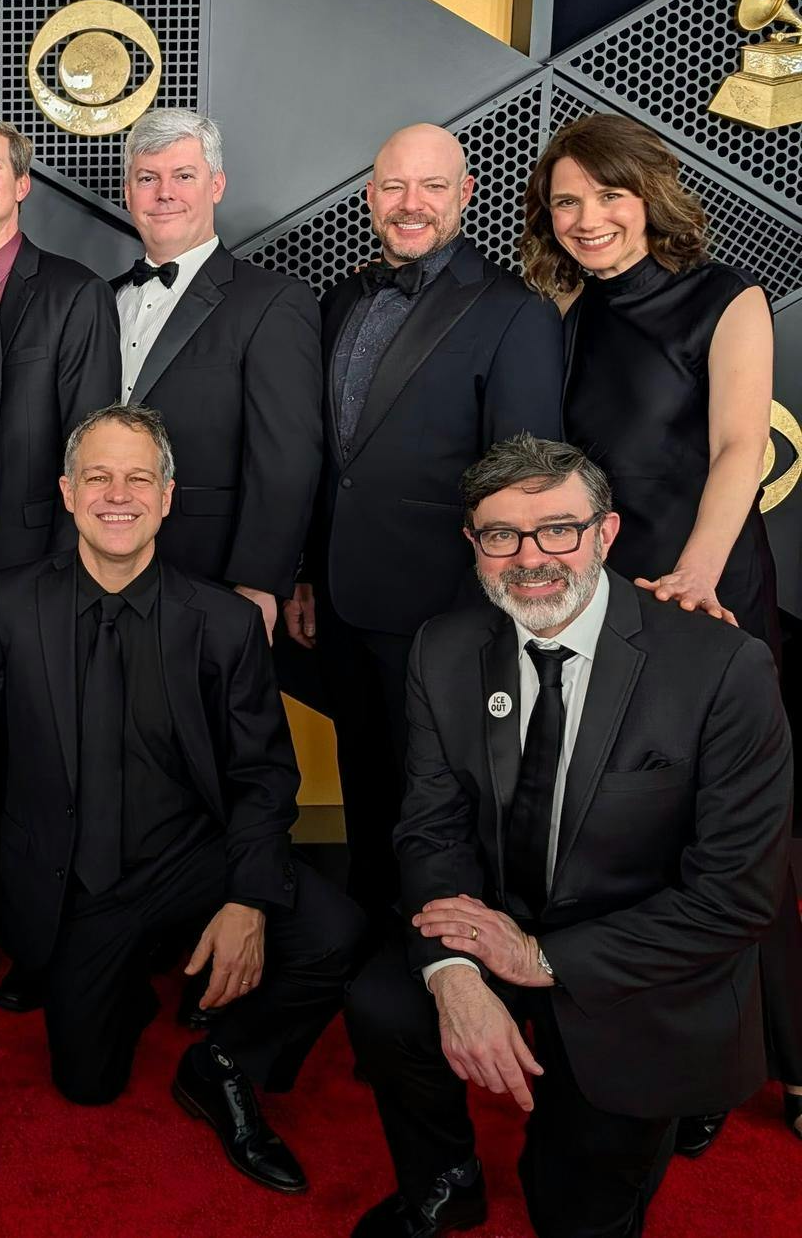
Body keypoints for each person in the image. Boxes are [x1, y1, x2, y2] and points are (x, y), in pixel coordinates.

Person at [344, 435, 791, 1238]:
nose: (530, 558)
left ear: (606, 533)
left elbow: (736, 899)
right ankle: (447, 1177)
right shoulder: (443, 651)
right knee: (383, 1002)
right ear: (473, 545)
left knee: (575, 1209)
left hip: (640, 965)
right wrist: (454, 972)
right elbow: (431, 827)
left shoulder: (721, 667)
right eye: (501, 535)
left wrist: (541, 961)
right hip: (497, 922)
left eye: (558, 529)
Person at [0, 404, 363, 1196]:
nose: (118, 494)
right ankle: (131, 980)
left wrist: (246, 899)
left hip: (192, 858)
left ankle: (223, 1062)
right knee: (87, 1083)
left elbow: (263, 776)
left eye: (139, 478)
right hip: (80, 883)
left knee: (335, 929)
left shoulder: (226, 622)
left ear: (168, 497)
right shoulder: (7, 603)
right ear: (67, 492)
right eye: (98, 476)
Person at [522, 111, 802, 1154]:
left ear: (646, 194)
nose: (587, 218)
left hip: (706, 595)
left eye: (605, 194)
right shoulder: (555, 314)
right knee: (628, 834)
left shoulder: (725, 298)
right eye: (565, 201)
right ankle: (671, 1058)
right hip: (600, 602)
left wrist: (691, 571)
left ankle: (785, 1054)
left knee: (734, 846)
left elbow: (738, 448)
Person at [283, 124, 564, 928]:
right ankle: (369, 934)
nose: (411, 205)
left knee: (440, 799)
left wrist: (490, 612)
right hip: (341, 594)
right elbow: (331, 458)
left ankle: (442, 950)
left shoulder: (515, 311)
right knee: (366, 776)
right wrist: (306, 570)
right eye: (394, 188)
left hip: (447, 607)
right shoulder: (343, 296)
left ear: (465, 195)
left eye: (432, 187)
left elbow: (525, 482)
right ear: (370, 198)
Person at [115, 108, 319, 644]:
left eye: (184, 176)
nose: (164, 192)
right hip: (99, 569)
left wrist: (259, 581)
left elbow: (287, 454)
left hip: (213, 578)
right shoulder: (100, 299)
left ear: (217, 185)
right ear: (127, 190)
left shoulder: (273, 302)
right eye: (147, 178)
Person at [0, 112, 119, 585]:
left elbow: (91, 452)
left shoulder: (77, 294)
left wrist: (67, 575)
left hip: (33, 563)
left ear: (23, 185)